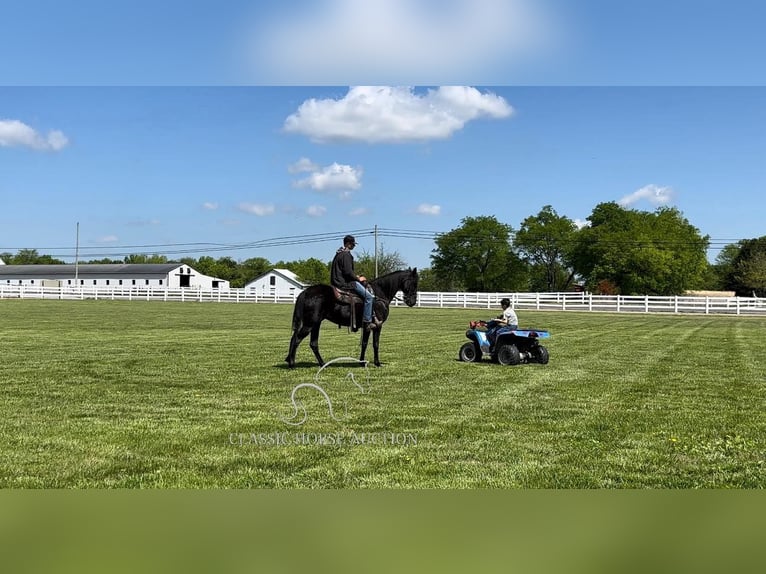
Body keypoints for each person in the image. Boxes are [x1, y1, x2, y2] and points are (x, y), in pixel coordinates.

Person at [330, 234, 377, 330]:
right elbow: (348, 272)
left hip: (336, 281)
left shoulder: (338, 254)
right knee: (369, 297)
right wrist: (358, 279)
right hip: (344, 283)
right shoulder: (346, 255)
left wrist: (356, 276)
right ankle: (367, 321)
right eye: (352, 244)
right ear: (348, 244)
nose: (354, 246)